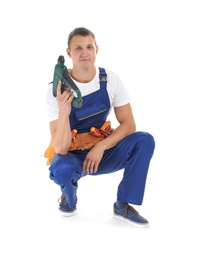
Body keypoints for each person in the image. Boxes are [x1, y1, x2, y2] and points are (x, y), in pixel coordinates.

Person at [45, 27, 155, 228]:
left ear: (97, 50)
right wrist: (63, 110)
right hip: (73, 155)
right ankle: (69, 196)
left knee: (144, 140)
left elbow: (129, 124)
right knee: (61, 167)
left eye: (89, 46)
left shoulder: (110, 79)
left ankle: (123, 205)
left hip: (104, 151)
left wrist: (101, 147)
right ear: (69, 53)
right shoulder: (56, 89)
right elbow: (60, 148)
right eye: (78, 48)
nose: (84, 52)